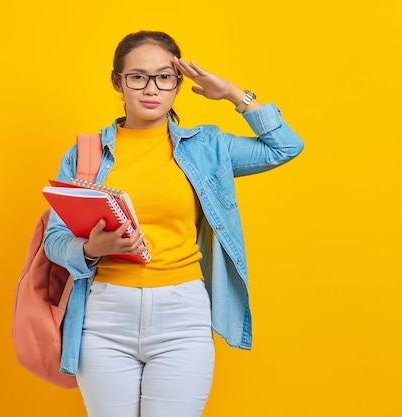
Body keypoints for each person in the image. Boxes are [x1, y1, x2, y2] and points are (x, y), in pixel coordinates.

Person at [43, 30, 304, 417]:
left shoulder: (207, 148)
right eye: (138, 77)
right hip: (104, 318)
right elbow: (54, 239)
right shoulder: (87, 154)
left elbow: (285, 146)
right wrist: (89, 249)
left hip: (181, 315)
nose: (152, 88)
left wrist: (234, 94)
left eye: (165, 77)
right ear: (118, 82)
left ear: (179, 83)